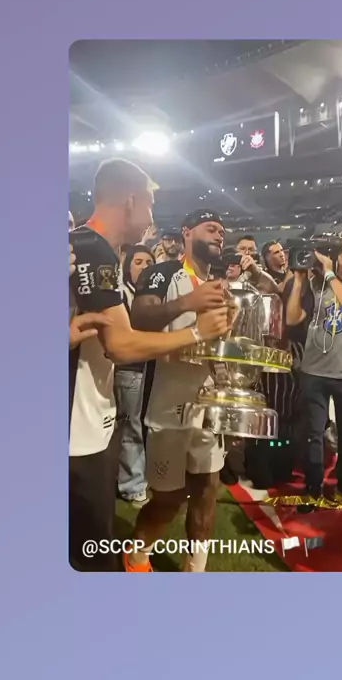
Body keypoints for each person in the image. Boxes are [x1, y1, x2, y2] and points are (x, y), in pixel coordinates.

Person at [68, 161, 230, 571]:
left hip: (98, 416)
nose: (152, 217)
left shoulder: (96, 249)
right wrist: (197, 331)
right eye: (151, 204)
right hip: (80, 425)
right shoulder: (91, 247)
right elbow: (122, 343)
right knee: (90, 553)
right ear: (131, 200)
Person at [125, 209, 232, 573]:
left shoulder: (218, 285)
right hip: (166, 405)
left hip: (208, 404)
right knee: (169, 499)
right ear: (187, 232)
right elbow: (139, 319)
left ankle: (194, 573)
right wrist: (189, 302)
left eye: (222, 231)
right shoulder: (163, 272)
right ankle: (137, 557)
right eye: (211, 228)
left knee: (206, 490)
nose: (219, 235)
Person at [291, 228, 342, 502]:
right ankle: (313, 484)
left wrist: (329, 274)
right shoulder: (318, 282)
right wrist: (299, 280)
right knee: (313, 433)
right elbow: (292, 318)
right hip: (314, 370)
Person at [115, 244, 156, 506]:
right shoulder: (122, 294)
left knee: (139, 427)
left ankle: (135, 477)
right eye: (138, 262)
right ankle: (131, 485)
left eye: (149, 263)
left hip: (149, 369)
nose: (144, 267)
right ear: (127, 266)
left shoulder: (151, 296)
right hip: (130, 371)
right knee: (132, 429)